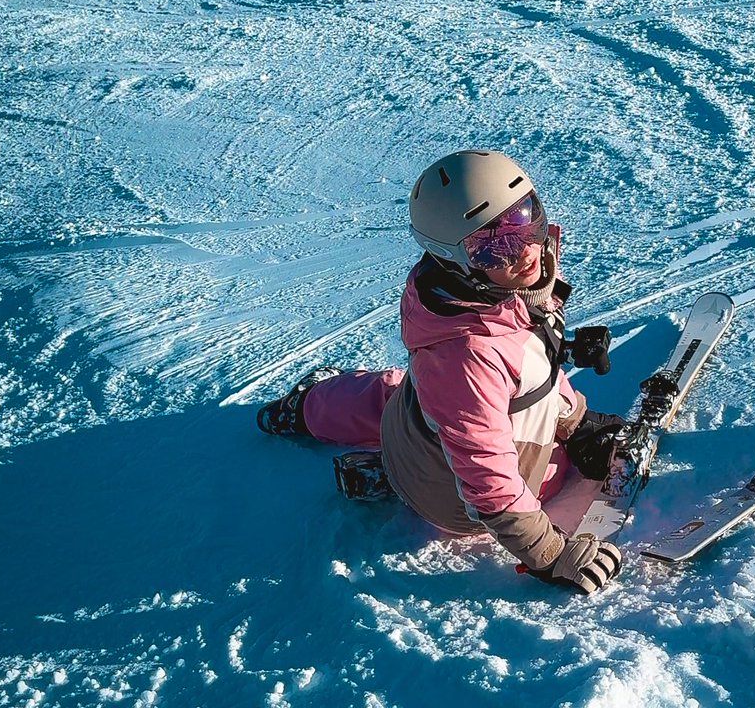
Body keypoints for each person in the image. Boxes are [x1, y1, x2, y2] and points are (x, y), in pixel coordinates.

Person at [257, 149, 624, 595]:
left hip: (424, 442)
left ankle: (310, 408)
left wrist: (579, 422)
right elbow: (491, 476)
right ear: (453, 258)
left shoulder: (476, 291)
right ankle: (394, 476)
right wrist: (550, 553)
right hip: (460, 503)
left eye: (526, 218)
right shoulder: (465, 357)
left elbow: (528, 363)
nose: (525, 249)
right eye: (492, 246)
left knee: (400, 393)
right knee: (545, 466)